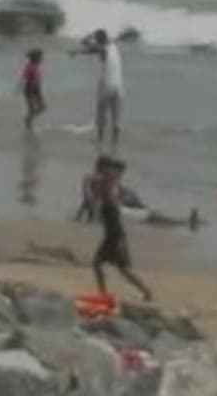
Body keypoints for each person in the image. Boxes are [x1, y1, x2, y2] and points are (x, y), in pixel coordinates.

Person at [91, 158, 153, 301]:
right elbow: (102, 194)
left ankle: (104, 294)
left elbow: (107, 192)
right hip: (115, 235)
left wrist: (105, 181)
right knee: (122, 270)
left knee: (101, 265)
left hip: (114, 236)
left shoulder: (108, 186)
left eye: (100, 168)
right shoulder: (109, 185)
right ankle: (145, 292)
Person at [73, 29, 124, 146]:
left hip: (106, 87)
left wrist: (90, 35)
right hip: (119, 88)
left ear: (99, 40)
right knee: (116, 119)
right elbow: (92, 50)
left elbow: (85, 42)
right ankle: (114, 143)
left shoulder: (102, 49)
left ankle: (100, 140)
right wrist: (77, 52)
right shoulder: (113, 47)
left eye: (96, 39)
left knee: (102, 116)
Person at [21, 48, 46, 131]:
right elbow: (24, 78)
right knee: (31, 108)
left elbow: (37, 78)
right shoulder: (29, 67)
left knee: (43, 107)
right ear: (35, 58)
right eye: (40, 57)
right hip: (29, 88)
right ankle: (28, 125)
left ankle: (28, 119)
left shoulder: (36, 66)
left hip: (37, 89)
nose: (42, 58)